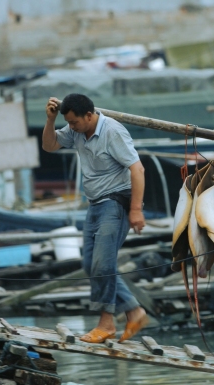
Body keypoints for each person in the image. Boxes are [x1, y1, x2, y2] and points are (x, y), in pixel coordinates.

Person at [43, 94, 148, 344]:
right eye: (68, 122)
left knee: (102, 264)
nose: (72, 127)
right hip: (95, 205)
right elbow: (49, 145)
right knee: (92, 265)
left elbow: (138, 169)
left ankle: (106, 323)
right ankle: (134, 311)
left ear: (89, 115)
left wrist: (135, 210)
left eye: (75, 122)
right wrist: (50, 120)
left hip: (116, 202)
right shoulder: (75, 130)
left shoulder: (112, 131)